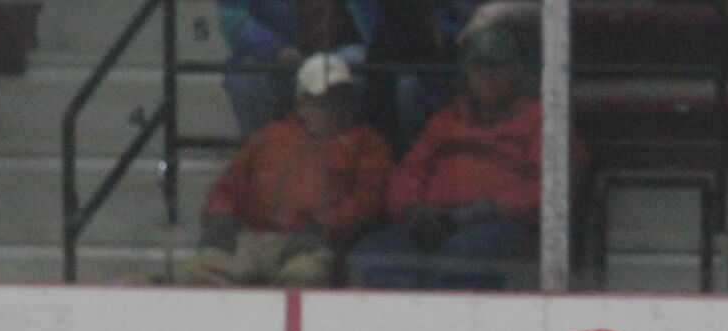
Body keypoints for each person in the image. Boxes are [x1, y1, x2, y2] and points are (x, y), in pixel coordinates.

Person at [347, 24, 577, 291]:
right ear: (466, 72)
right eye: (479, 66)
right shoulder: (447, 120)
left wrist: (478, 214)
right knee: (371, 255)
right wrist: (413, 212)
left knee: (461, 256)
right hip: (436, 223)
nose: (487, 75)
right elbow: (409, 172)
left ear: (518, 71)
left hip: (505, 227)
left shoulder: (543, 120)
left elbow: (548, 185)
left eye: (498, 66)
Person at [183, 54, 393, 288]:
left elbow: (368, 200)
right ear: (301, 103)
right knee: (198, 273)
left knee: (304, 277)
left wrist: (324, 229)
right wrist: (220, 218)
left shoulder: (368, 143)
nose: (334, 108)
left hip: (311, 247)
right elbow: (229, 185)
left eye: (341, 98)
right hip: (250, 239)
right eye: (323, 100)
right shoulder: (269, 135)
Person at [218, 0, 365, 138]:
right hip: (274, 59)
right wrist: (276, 48)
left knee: (359, 65)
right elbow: (233, 19)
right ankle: (261, 153)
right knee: (244, 79)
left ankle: (351, 152)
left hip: (342, 52)